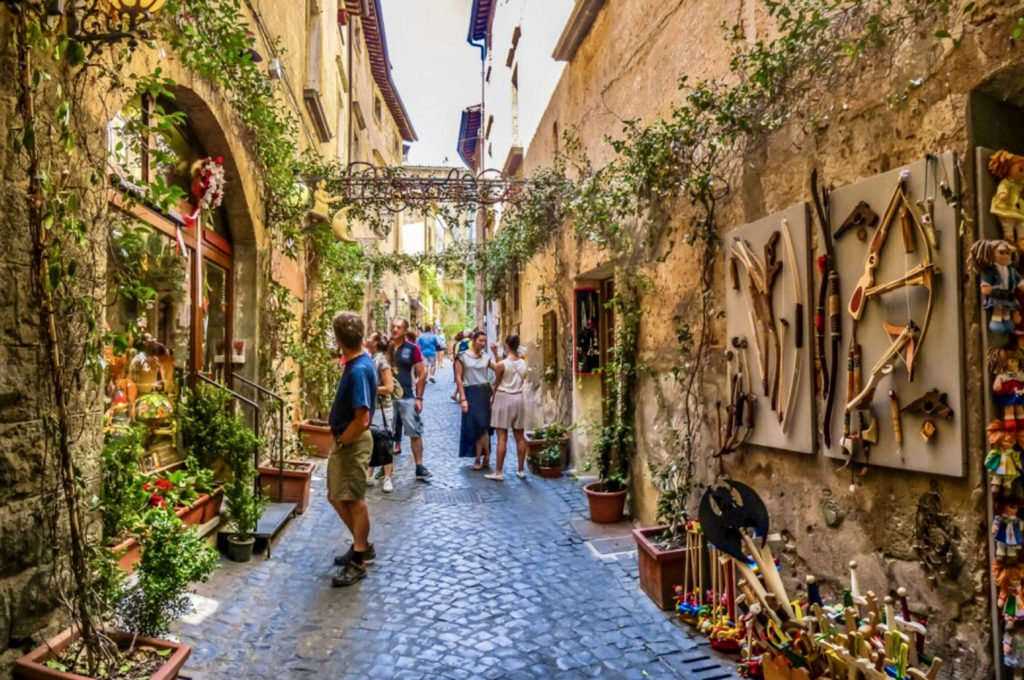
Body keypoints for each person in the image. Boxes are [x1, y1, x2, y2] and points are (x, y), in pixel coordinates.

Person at [326, 312, 377, 587]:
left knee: (354, 501)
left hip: (352, 441)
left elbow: (363, 418)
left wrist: (344, 441)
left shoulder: (358, 370)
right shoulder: (361, 359)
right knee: (337, 495)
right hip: (349, 439)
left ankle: (359, 558)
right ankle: (361, 545)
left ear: (338, 338)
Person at [388, 317, 431, 479]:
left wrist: (419, 398)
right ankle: (384, 468)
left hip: (406, 396)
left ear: (405, 331)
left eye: (398, 327)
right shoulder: (387, 348)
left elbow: (422, 374)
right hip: (388, 398)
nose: (394, 330)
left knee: (415, 431)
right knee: (387, 433)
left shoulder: (413, 348)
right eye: (393, 327)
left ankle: (419, 465)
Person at [487, 335, 529, 481]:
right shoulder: (524, 363)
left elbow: (497, 382)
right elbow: (522, 378)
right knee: (519, 437)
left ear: (506, 346)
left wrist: (492, 397)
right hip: (518, 398)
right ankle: (521, 470)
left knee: (502, 438)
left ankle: (498, 472)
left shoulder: (501, 364)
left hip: (503, 398)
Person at [455, 330, 493, 468]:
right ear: (474, 340)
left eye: (485, 341)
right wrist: (463, 398)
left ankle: (480, 458)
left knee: (483, 426)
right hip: (470, 391)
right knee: (477, 426)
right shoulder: (462, 356)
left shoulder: (486, 357)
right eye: (480, 341)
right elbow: (459, 379)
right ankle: (485, 455)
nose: (483, 344)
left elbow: (499, 369)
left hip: (485, 392)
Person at [365, 332, 396, 493]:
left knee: (384, 442)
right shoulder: (371, 358)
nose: (367, 339)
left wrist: (369, 389)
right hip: (373, 407)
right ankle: (369, 474)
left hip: (382, 409)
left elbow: (389, 387)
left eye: (370, 337)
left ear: (376, 343)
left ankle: (387, 478)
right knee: (372, 441)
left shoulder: (382, 361)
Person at [449, 331, 466, 401]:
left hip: (456, 363)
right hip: (460, 362)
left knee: (460, 380)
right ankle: (459, 396)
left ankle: (456, 394)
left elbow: (454, 354)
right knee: (462, 380)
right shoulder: (462, 344)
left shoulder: (456, 344)